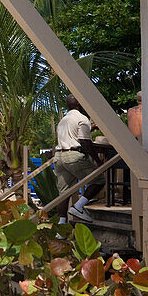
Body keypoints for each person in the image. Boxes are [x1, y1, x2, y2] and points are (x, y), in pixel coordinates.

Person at [54, 95, 104, 224]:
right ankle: (79, 206)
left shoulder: (63, 120)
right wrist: (97, 160)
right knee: (99, 180)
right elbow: (84, 141)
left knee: (64, 193)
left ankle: (61, 227)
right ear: (80, 105)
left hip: (59, 157)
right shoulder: (82, 118)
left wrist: (90, 128)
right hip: (73, 156)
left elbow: (72, 135)